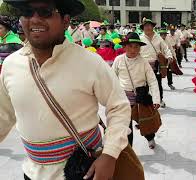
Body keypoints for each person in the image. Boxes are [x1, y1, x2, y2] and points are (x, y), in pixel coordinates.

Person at [1, 0, 133, 179]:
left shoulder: (90, 62)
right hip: (32, 172)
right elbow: (4, 115)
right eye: (27, 11)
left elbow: (119, 106)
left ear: (66, 20)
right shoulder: (11, 65)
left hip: (84, 171)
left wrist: (110, 154)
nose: (35, 19)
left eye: (46, 11)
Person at [112, 32, 160, 149]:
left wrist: (156, 99)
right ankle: (130, 151)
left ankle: (150, 137)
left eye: (136, 47)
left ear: (140, 48)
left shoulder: (143, 62)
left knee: (144, 121)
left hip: (140, 97)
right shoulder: (119, 60)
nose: (133, 50)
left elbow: (152, 81)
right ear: (124, 47)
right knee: (127, 127)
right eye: (130, 46)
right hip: (124, 99)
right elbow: (111, 78)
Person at [139, 18, 173, 108]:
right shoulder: (140, 38)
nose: (148, 27)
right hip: (143, 64)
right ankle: (145, 103)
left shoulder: (158, 38)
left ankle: (160, 99)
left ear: (153, 27)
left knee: (157, 83)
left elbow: (165, 48)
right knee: (143, 84)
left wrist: (169, 56)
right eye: (146, 26)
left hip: (156, 64)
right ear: (143, 27)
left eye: (150, 25)